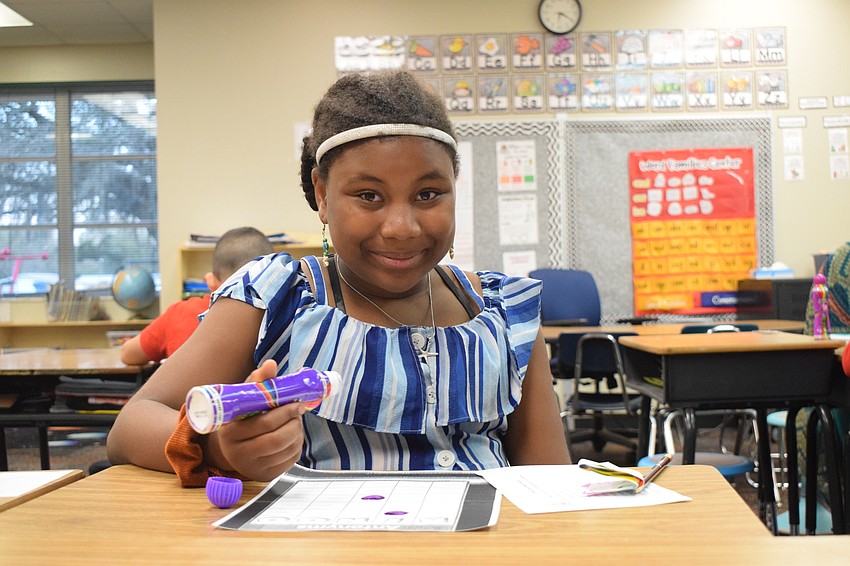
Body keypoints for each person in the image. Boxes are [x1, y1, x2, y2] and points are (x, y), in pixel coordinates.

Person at [107, 70, 570, 486]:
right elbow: (131, 427)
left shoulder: (503, 312)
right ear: (323, 196)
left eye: (429, 194)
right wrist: (218, 448)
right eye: (369, 195)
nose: (402, 227)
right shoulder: (278, 298)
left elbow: (551, 483)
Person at [119, 226, 274, 365]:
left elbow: (128, 354)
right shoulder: (282, 316)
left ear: (211, 281)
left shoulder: (179, 313)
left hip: (186, 398)